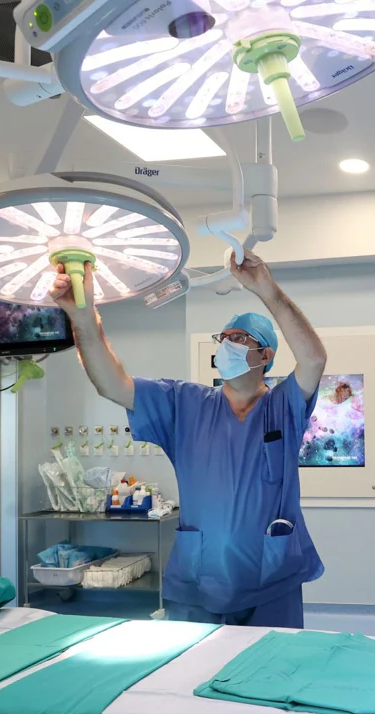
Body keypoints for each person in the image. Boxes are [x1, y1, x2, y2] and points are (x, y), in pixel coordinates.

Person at [49, 250, 328, 627]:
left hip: (271, 581)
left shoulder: (283, 408)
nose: (226, 344)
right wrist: (83, 317)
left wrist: (266, 289)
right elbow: (111, 384)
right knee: (187, 678)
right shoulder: (185, 404)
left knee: (267, 677)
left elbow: (313, 360)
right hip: (198, 582)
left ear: (264, 355)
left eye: (238, 338)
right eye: (223, 338)